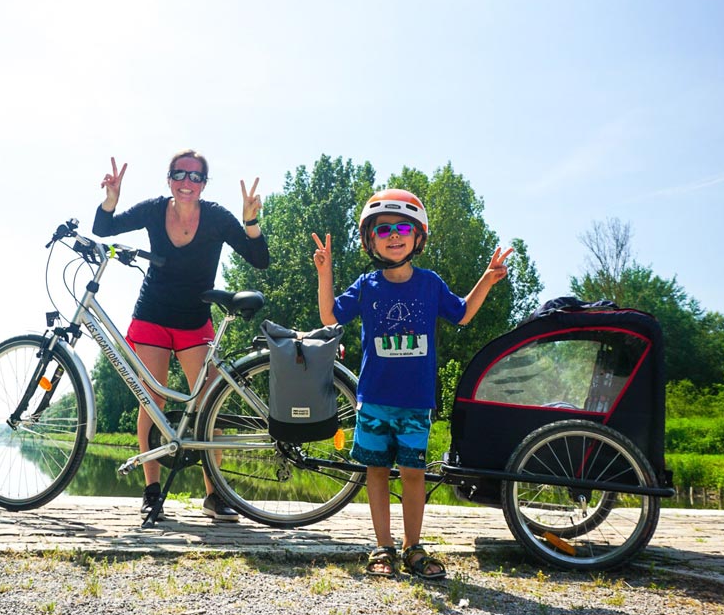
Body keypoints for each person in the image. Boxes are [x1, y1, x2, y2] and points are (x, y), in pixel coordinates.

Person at [311, 188, 512, 579]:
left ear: (418, 236)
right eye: (383, 229)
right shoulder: (367, 285)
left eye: (403, 227)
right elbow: (329, 316)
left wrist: (487, 280)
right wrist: (325, 273)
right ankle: (382, 547)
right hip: (374, 399)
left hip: (416, 401)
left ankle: (413, 548)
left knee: (414, 473)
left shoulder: (429, 283)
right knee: (376, 472)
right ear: (371, 239)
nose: (394, 235)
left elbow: (463, 314)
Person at [93, 150, 269, 522]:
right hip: (153, 317)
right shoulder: (155, 210)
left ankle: (215, 494)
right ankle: (152, 492)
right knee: (152, 400)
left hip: (195, 322)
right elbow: (103, 230)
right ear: (169, 178)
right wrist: (110, 202)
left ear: (204, 184)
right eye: (180, 174)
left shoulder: (218, 217)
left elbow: (259, 258)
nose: (187, 182)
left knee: (208, 404)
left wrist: (251, 221)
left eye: (195, 177)